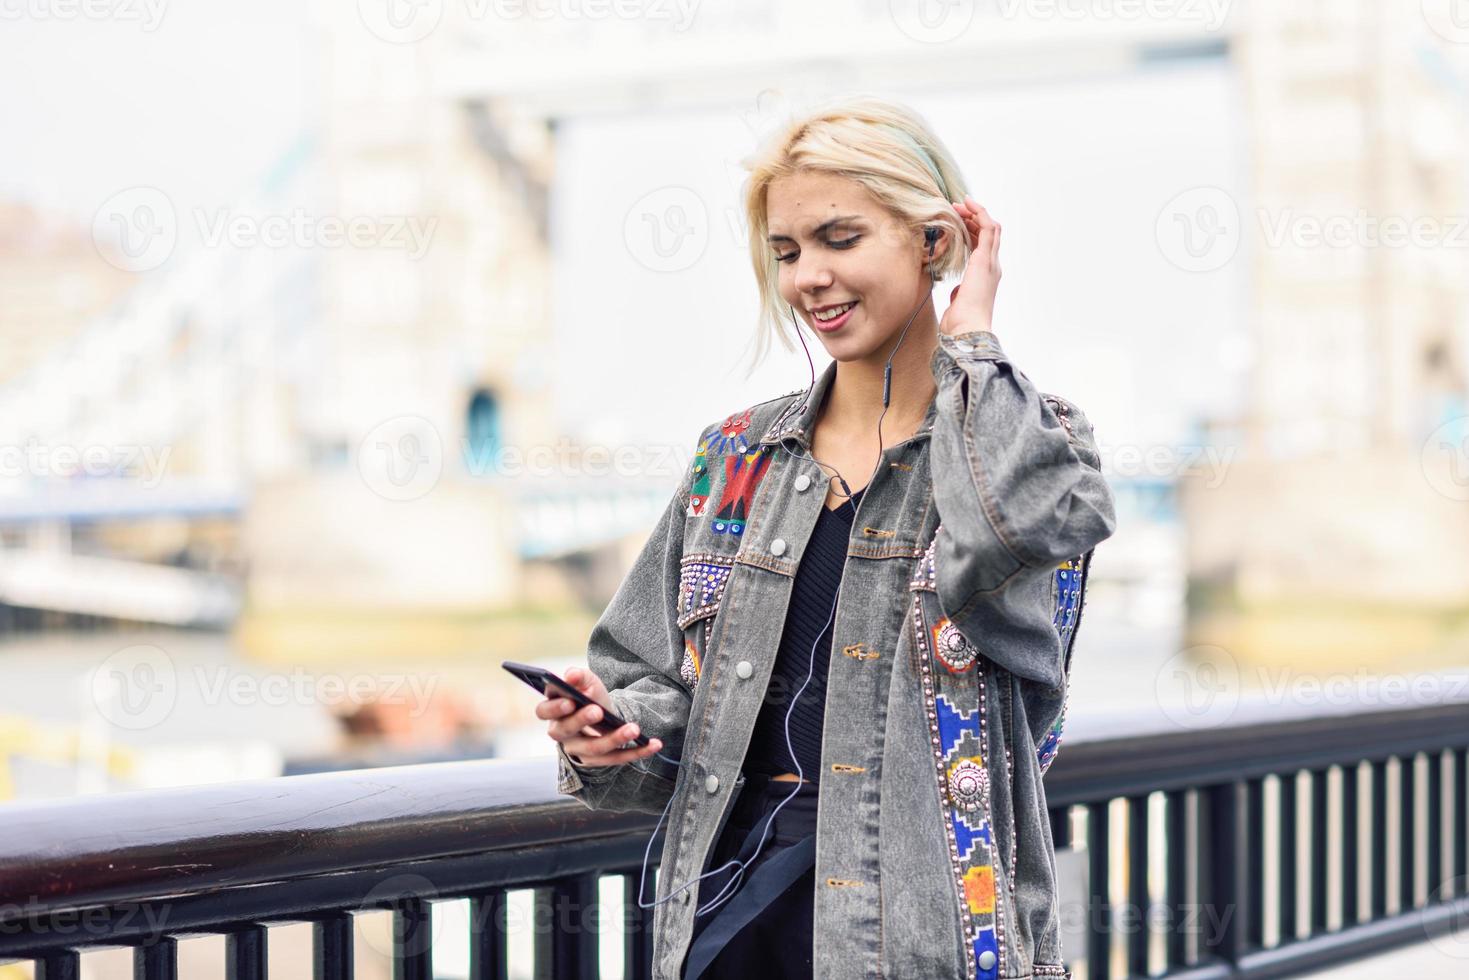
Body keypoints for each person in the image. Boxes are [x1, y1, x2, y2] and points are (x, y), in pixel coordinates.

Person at [540, 93, 1116, 980]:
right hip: (730, 920)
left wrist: (972, 345)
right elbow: (650, 683)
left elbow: (1016, 547)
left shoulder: (1040, 444)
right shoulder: (733, 458)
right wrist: (608, 729)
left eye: (839, 239)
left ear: (934, 243)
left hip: (924, 936)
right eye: (786, 251)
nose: (807, 275)